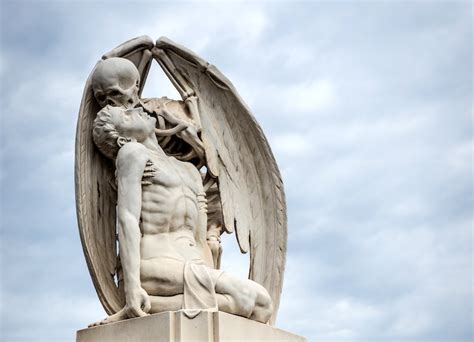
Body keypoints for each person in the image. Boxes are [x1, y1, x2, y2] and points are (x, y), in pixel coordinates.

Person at [90, 105, 273, 326]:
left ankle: (155, 305)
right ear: (123, 139)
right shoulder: (133, 154)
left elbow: (199, 239)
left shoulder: (189, 170)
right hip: (155, 262)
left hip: (191, 263)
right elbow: (127, 219)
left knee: (260, 307)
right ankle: (136, 303)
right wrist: (132, 287)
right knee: (253, 298)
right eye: (126, 116)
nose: (136, 109)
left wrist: (209, 271)